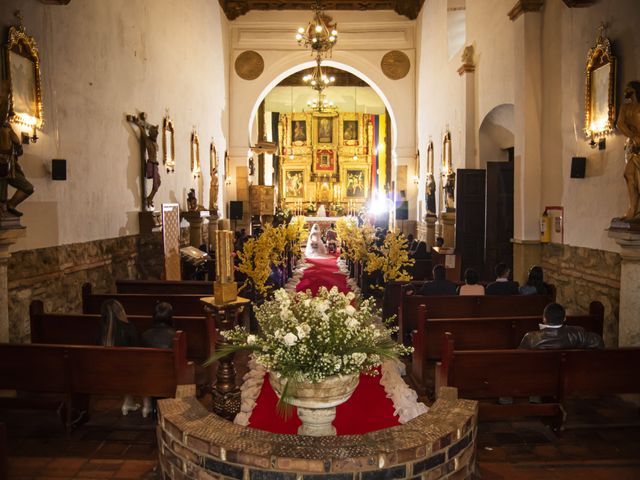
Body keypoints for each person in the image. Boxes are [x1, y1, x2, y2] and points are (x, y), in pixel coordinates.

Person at [98, 299, 140, 416]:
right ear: (120, 311)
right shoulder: (128, 327)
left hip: (102, 372)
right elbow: (137, 351)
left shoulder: (101, 330)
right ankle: (132, 402)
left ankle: (129, 401)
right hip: (127, 372)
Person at [0, 80, 34, 217]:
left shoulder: (8, 128)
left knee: (28, 187)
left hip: (11, 165)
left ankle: (10, 204)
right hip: (2, 165)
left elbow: (18, 151)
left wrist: (17, 144)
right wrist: (4, 96)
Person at [140, 302, 176, 418]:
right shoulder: (176, 336)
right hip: (169, 377)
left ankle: (147, 406)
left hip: (148, 377)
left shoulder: (144, 335)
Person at [519, 302, 604, 349]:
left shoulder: (530, 338)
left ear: (544, 319)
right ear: (564, 319)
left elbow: (518, 358)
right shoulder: (578, 333)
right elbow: (598, 341)